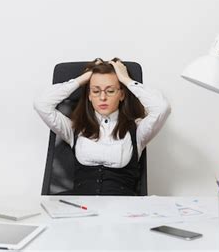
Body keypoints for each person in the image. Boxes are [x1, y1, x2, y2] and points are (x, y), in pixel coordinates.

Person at [34, 58, 171, 195]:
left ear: (121, 94)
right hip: (80, 209)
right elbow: (41, 104)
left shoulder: (137, 130)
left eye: (110, 91)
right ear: (89, 95)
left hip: (122, 210)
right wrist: (82, 79)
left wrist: (126, 80)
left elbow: (162, 108)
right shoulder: (73, 129)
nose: (103, 97)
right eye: (96, 91)